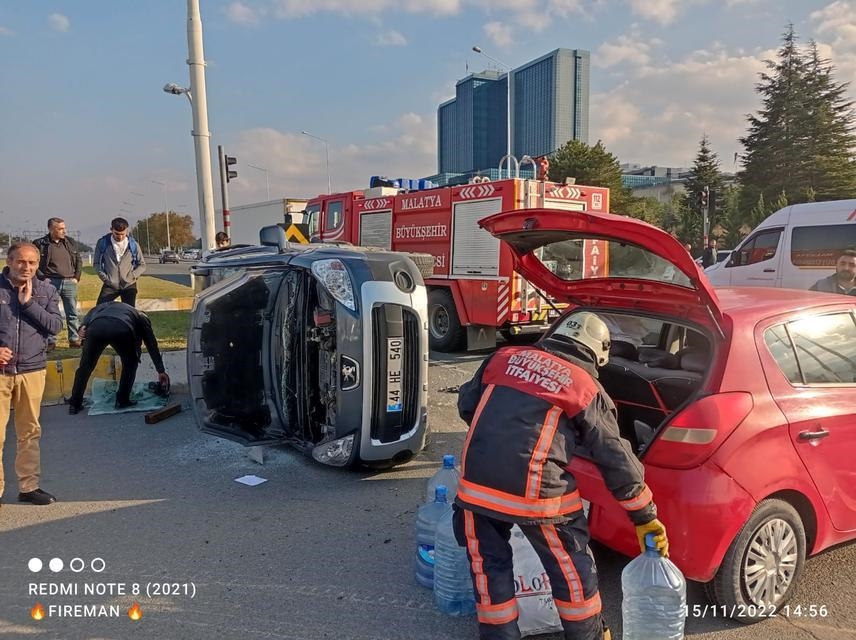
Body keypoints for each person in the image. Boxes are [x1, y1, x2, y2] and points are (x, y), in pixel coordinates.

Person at [455, 312, 668, 640]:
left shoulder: (503, 357)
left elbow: (467, 406)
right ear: (597, 353)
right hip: (539, 501)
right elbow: (614, 455)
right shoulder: (584, 385)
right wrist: (644, 516)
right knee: (572, 574)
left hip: (475, 490)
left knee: (489, 574)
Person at [0, 242, 63, 506]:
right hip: (1, 371)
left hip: (32, 369)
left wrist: (28, 305)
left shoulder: (46, 290)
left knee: (29, 432)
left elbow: (56, 325)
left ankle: (29, 486)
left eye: (32, 263)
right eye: (21, 262)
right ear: (10, 261)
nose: (27, 268)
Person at [67, 302, 170, 414]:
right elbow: (151, 344)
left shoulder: (110, 306)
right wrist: (161, 370)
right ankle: (122, 400)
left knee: (85, 366)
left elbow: (93, 311)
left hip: (96, 327)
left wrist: (83, 325)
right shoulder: (142, 318)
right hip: (121, 328)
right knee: (130, 363)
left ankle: (75, 403)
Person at [34, 217, 82, 349]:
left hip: (69, 282)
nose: (64, 231)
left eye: (64, 228)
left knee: (72, 312)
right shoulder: (40, 243)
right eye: (60, 229)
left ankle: (74, 339)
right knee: (49, 312)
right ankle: (50, 341)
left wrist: (76, 277)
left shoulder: (70, 242)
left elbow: (78, 260)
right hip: (50, 282)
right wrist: (43, 278)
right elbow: (34, 263)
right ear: (50, 229)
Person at [93, 217, 146, 306]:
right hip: (110, 284)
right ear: (111, 230)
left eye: (123, 234)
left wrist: (132, 276)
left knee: (129, 313)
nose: (120, 237)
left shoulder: (133, 244)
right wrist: (106, 278)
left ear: (127, 231)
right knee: (100, 309)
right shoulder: (102, 243)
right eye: (117, 234)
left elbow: (142, 265)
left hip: (129, 285)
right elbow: (96, 264)